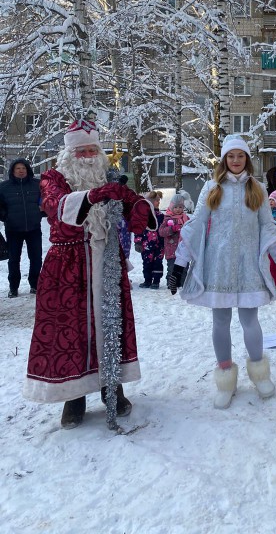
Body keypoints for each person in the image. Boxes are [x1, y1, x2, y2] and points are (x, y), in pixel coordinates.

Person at [23, 120, 156, 429]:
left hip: (106, 260)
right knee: (72, 328)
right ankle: (74, 396)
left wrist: (136, 205)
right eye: (79, 150)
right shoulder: (53, 178)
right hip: (68, 265)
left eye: (91, 150)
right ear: (68, 153)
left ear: (99, 153)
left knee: (111, 324)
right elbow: (55, 207)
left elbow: (135, 206)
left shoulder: (108, 178)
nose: (85, 155)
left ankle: (114, 387)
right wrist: (94, 196)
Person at [168, 135, 276, 410]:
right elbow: (193, 227)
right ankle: (225, 380)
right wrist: (179, 266)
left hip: (249, 266)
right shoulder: (212, 188)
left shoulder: (259, 190)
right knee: (220, 321)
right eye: (231, 156)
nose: (236, 161)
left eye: (240, 156)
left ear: (247, 159)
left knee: (250, 320)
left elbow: (269, 231)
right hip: (219, 267)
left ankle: (259, 375)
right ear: (224, 159)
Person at [0, 158, 43, 297]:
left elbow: (46, 200)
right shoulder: (4, 187)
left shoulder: (37, 184)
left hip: (34, 228)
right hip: (13, 229)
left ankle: (35, 284)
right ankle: (13, 287)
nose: (21, 171)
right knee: (14, 259)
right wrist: (6, 217)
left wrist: (41, 212)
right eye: (18, 168)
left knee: (36, 258)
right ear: (13, 171)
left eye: (23, 168)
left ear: (27, 170)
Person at [135, 191, 165, 288]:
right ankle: (147, 280)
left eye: (159, 200)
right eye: (156, 200)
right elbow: (138, 229)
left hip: (159, 244)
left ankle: (156, 281)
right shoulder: (144, 215)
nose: (158, 202)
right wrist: (138, 241)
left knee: (158, 263)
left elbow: (163, 229)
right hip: (146, 244)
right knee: (147, 262)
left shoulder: (161, 215)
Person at [159, 194, 190, 286]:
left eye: (180, 207)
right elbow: (161, 232)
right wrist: (171, 229)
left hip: (184, 249)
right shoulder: (167, 218)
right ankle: (171, 284)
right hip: (171, 249)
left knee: (183, 268)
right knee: (172, 268)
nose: (178, 209)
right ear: (171, 207)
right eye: (175, 207)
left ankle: (182, 283)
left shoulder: (186, 218)